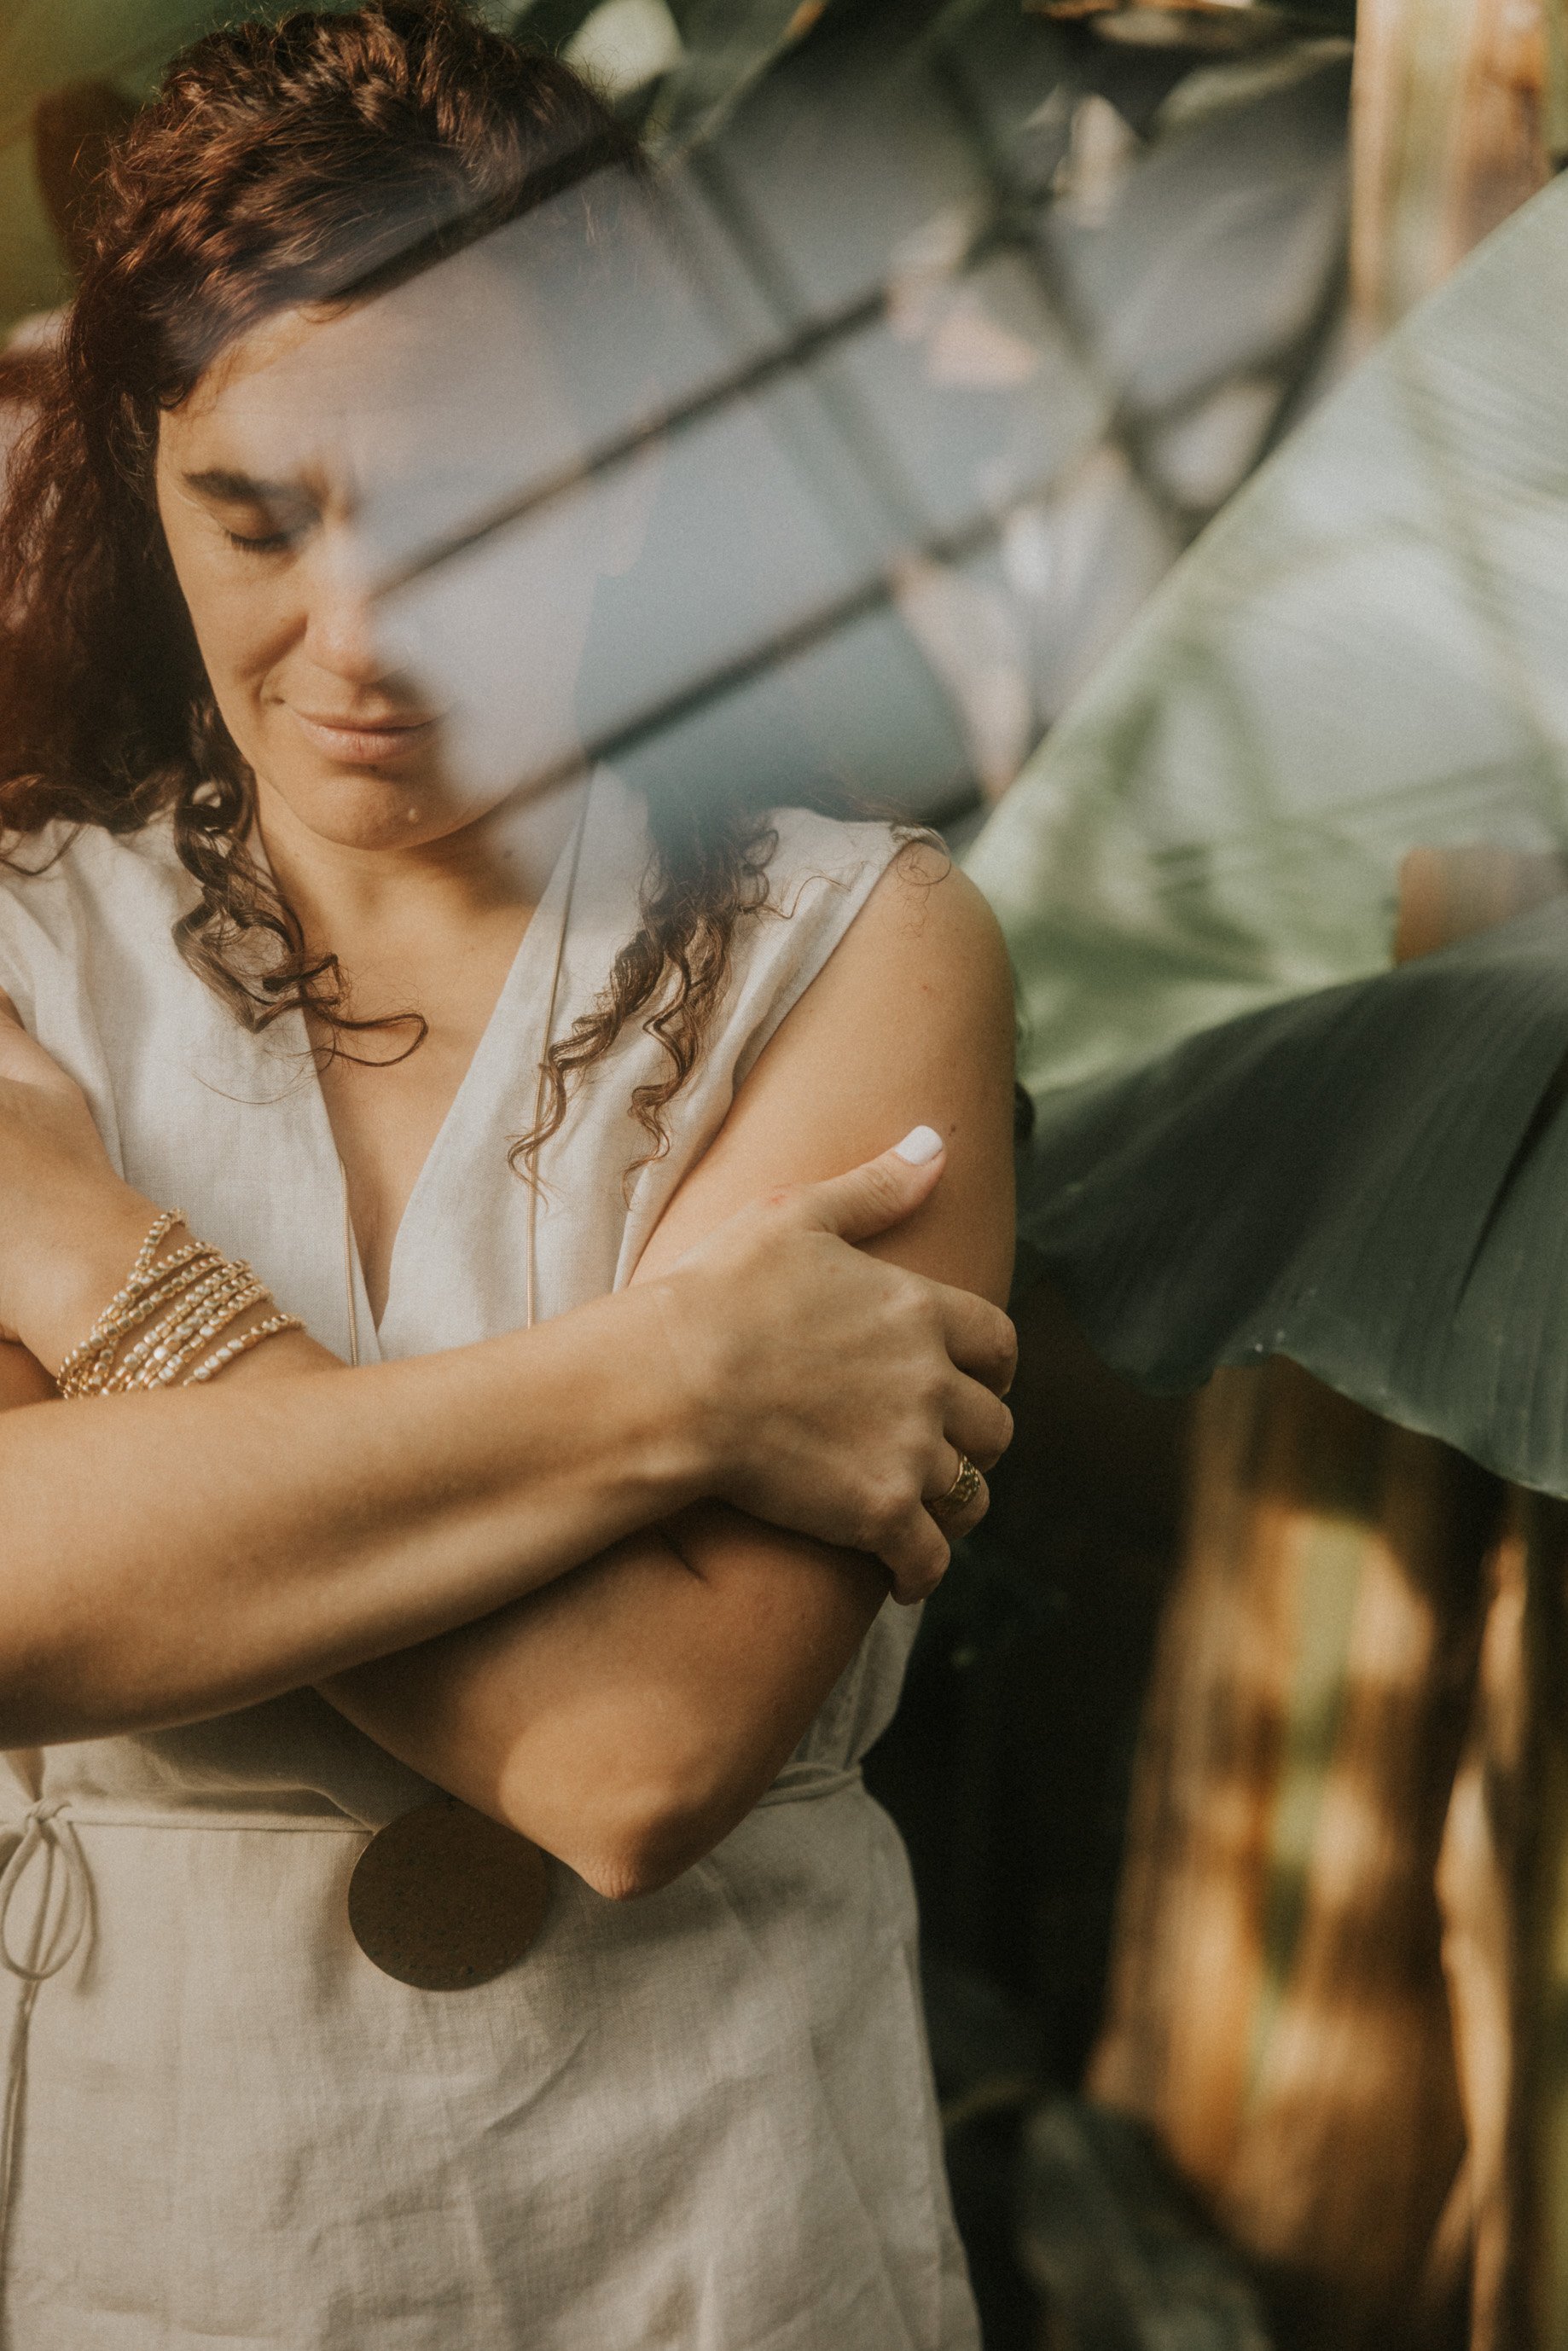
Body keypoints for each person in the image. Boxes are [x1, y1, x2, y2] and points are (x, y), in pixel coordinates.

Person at [0, 6, 1018, 2346]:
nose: (351, 638)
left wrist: (75, 1244)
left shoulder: (860, 946)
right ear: (146, 470)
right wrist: (678, 1382)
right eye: (252, 516)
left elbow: (634, 1750)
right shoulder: (31, 946)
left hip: (712, 2235)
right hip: (149, 2231)